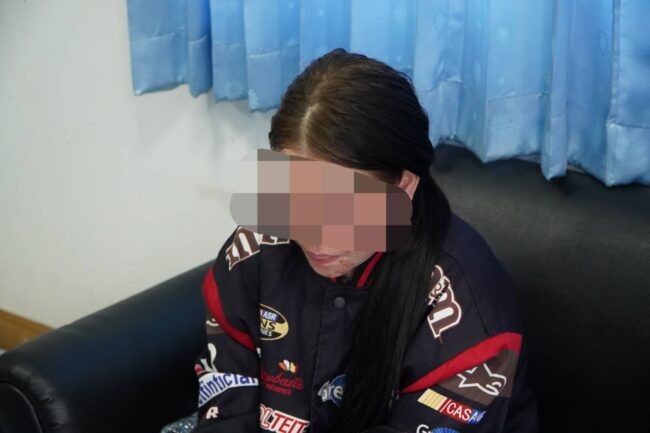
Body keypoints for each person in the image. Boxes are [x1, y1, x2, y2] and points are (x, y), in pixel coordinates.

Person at [190, 48, 538, 433]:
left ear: (403, 187)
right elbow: (227, 402)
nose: (315, 239)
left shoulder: (465, 304)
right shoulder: (254, 248)